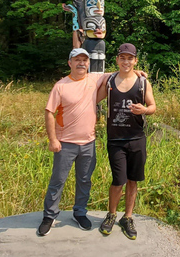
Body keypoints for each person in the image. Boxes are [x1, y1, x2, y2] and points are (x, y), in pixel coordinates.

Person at [38, 48, 111, 236]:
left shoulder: (94, 80)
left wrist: (137, 72)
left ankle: (80, 212)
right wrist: (52, 139)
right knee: (58, 180)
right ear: (69, 63)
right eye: (77, 60)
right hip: (65, 143)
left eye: (84, 60)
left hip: (88, 143)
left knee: (85, 180)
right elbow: (49, 112)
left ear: (88, 63)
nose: (81, 63)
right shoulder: (61, 86)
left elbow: (118, 73)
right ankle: (49, 215)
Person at [96, 43, 156, 240]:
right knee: (118, 180)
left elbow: (153, 105)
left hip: (137, 138)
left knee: (133, 180)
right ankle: (112, 214)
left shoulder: (143, 83)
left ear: (135, 60)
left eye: (130, 58)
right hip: (116, 139)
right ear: (117, 60)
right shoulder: (110, 81)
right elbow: (94, 98)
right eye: (122, 58)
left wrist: (145, 110)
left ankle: (127, 217)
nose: (126, 61)